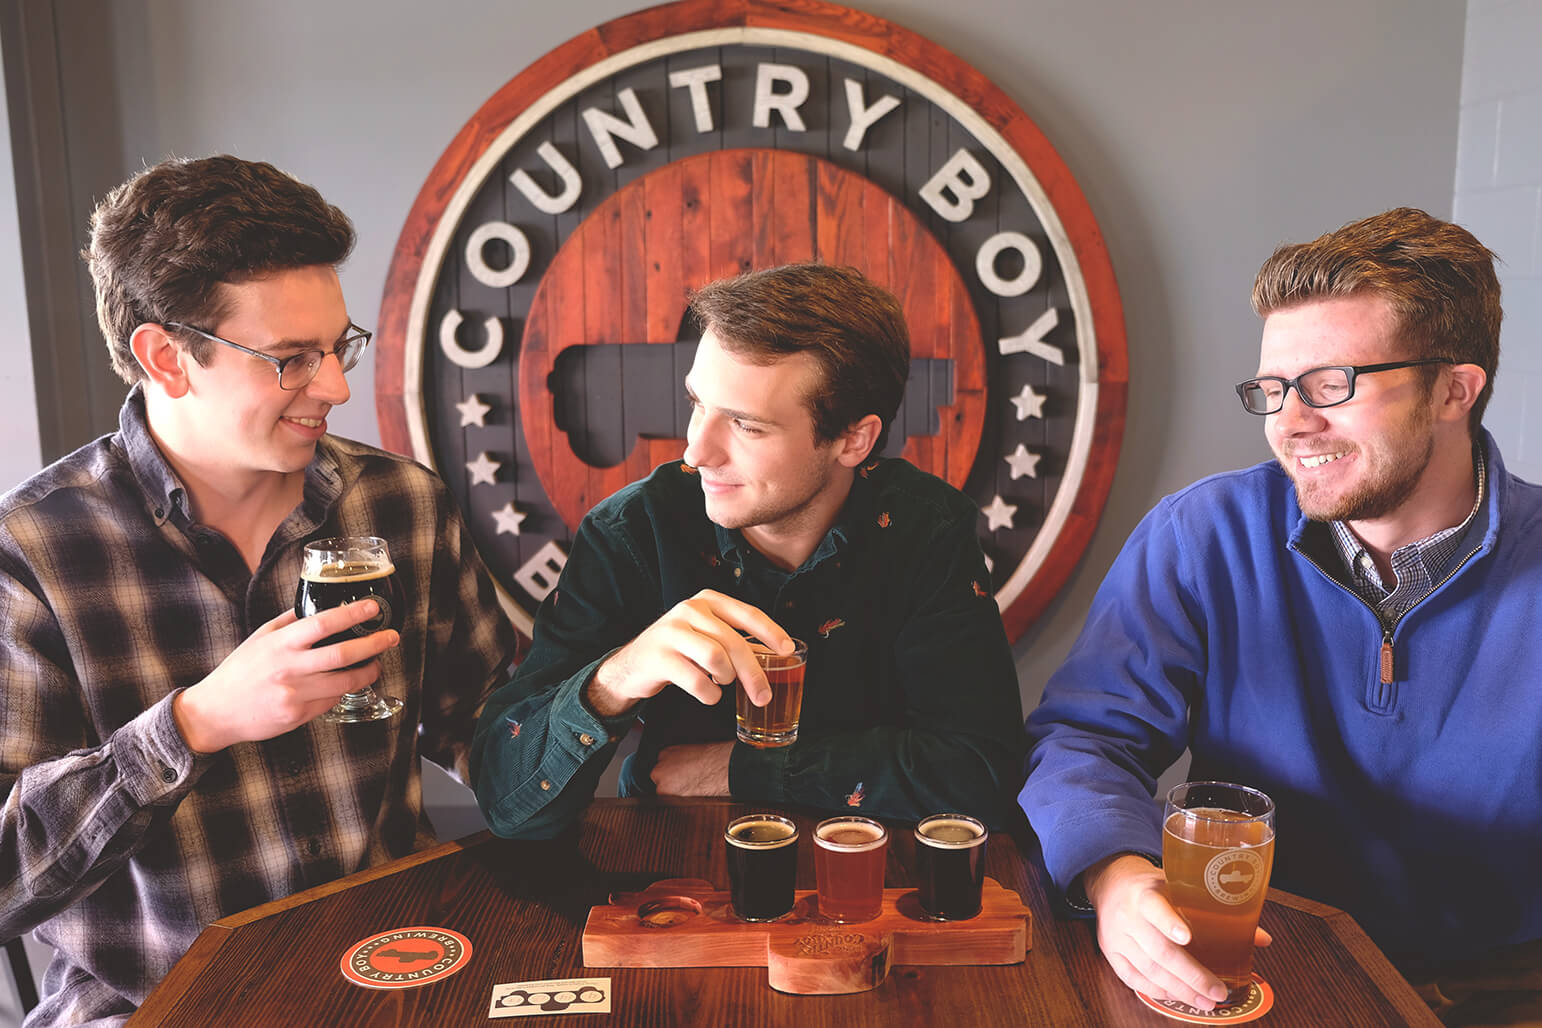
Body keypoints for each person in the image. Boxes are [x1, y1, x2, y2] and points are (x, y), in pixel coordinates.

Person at [0, 155, 518, 1026]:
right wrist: (195, 723)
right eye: (291, 359)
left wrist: (607, 697)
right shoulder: (34, 551)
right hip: (161, 1003)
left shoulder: (403, 501)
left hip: (403, 969)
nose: (338, 387)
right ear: (166, 358)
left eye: (337, 347)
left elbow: (492, 730)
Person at [1019, 207, 1542, 1021]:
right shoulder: (1201, 535)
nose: (1292, 423)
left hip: (1508, 987)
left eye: (1332, 385)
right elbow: (1085, 737)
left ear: (1454, 389)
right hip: (1262, 960)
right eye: (1274, 389)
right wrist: (1115, 877)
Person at [472, 263, 1024, 838]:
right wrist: (616, 678)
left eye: (746, 425)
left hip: (872, 879)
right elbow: (509, 806)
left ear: (853, 439)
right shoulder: (631, 530)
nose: (696, 451)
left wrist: (738, 769)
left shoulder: (925, 530)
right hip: (672, 878)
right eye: (697, 404)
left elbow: (982, 776)